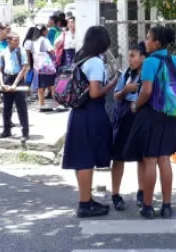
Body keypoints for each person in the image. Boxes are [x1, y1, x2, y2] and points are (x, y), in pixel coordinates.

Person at [124, 26, 176, 219]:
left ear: (157, 42)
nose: (145, 41)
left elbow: (147, 90)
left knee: (150, 159)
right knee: (164, 159)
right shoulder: (174, 60)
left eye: (149, 38)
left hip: (152, 114)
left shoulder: (150, 62)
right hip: (171, 115)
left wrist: (136, 105)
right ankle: (167, 206)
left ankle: (148, 206)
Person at [61, 26, 116, 218]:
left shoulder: (81, 56)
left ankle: (86, 198)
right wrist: (111, 84)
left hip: (79, 113)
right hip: (91, 113)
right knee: (86, 160)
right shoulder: (95, 62)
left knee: (81, 159)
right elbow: (94, 93)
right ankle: (84, 203)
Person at [110, 42, 147, 210]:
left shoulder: (148, 75)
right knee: (118, 157)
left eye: (133, 56)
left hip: (140, 116)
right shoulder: (126, 74)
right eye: (129, 56)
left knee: (142, 158)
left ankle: (142, 192)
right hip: (124, 116)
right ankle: (115, 194)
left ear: (143, 58)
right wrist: (126, 90)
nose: (129, 59)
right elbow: (116, 96)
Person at [0, 33, 31, 140]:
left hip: (18, 79)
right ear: (9, 41)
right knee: (6, 107)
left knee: (21, 107)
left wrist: (15, 84)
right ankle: (6, 130)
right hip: (7, 77)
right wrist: (2, 83)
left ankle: (25, 132)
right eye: (15, 40)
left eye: (18, 40)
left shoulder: (21, 51)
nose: (17, 42)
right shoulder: (3, 53)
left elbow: (24, 68)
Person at [25, 24, 58, 110]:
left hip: (38, 66)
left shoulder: (33, 41)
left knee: (41, 86)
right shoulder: (44, 40)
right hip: (47, 66)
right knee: (52, 85)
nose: (47, 31)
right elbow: (51, 50)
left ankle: (41, 104)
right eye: (46, 30)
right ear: (43, 31)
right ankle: (57, 104)